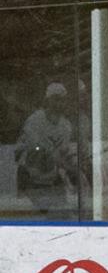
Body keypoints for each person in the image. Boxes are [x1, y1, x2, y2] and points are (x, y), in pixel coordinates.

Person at [15, 81, 81, 218]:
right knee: (34, 222)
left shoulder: (66, 126)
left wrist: (72, 169)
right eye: (56, 98)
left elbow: (62, 155)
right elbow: (36, 148)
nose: (59, 102)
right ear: (48, 100)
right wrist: (57, 158)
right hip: (29, 179)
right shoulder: (35, 120)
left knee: (62, 218)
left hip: (52, 180)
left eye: (62, 99)